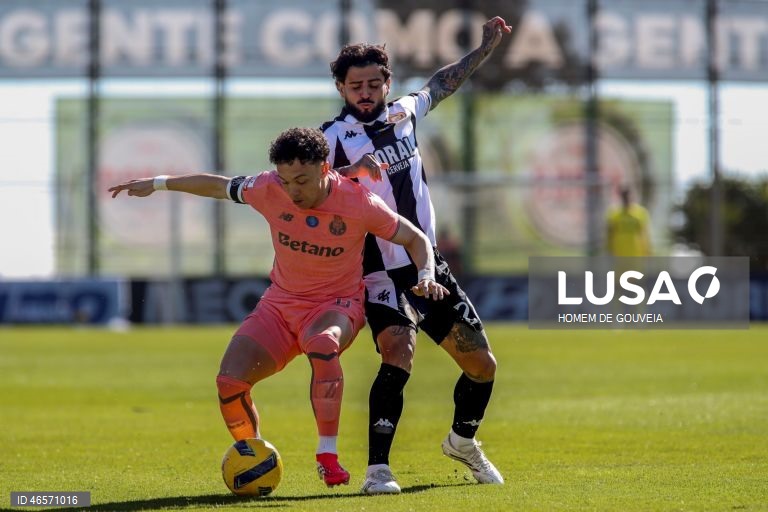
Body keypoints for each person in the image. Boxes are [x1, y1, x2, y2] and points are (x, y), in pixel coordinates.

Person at [108, 127, 448, 488]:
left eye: (301, 180)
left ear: (324, 168)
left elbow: (414, 237)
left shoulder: (358, 202)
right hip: (280, 304)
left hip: (337, 306)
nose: (292, 191)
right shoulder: (267, 188)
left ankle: (327, 456)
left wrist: (426, 273)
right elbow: (218, 186)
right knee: (229, 382)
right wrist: (159, 183)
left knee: (323, 345)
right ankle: (252, 458)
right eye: (286, 182)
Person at [320, 16, 511, 494]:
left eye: (373, 83)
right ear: (341, 88)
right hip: (377, 268)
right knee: (398, 352)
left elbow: (443, 83)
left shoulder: (405, 112)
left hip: (427, 263)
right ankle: (378, 471)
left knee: (482, 366)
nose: (364, 92)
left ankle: (462, 442)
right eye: (354, 85)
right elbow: (302, 190)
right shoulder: (330, 138)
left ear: (387, 83)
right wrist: (347, 175)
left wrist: (484, 47)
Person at [605, 185, 652, 257]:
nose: (626, 199)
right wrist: (609, 250)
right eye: (624, 196)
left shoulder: (640, 212)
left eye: (628, 196)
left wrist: (648, 251)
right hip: (619, 253)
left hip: (637, 253)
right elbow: (610, 233)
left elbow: (644, 233)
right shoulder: (614, 214)